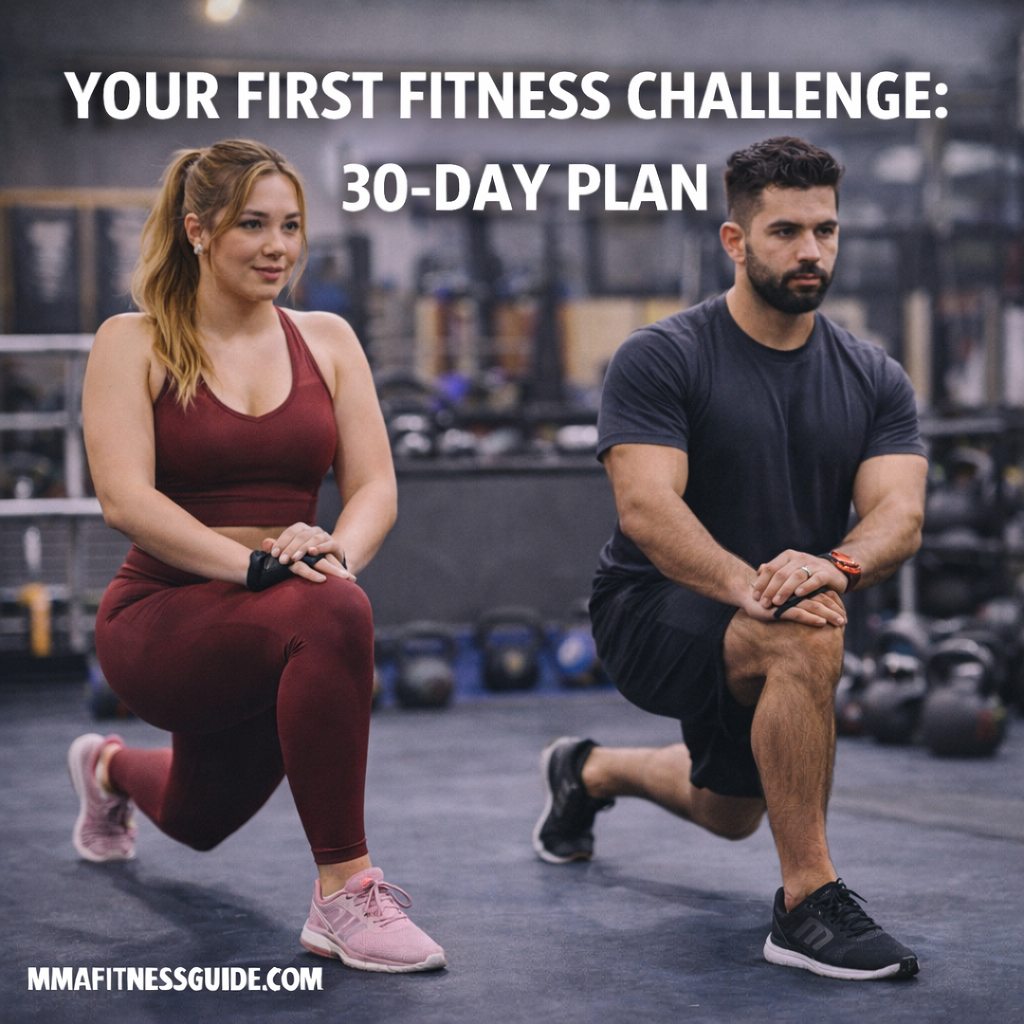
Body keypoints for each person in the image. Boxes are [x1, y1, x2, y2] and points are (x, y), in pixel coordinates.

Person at [532, 137, 928, 981]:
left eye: (825, 229)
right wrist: (756, 588)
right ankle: (806, 903)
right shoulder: (664, 356)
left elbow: (899, 512)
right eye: (785, 230)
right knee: (804, 637)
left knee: (731, 810)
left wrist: (838, 565)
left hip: (774, 608)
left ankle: (589, 770)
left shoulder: (872, 376)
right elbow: (647, 508)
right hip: (651, 609)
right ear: (735, 241)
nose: (811, 251)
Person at [69, 139, 446, 973]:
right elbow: (125, 500)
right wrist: (259, 567)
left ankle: (106, 770)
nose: (278, 246)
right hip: (161, 618)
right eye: (252, 225)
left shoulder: (329, 338)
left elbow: (376, 486)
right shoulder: (131, 342)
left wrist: (331, 549)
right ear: (198, 230)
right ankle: (344, 896)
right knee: (332, 609)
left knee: (198, 823)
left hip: (279, 615)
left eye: (291, 225)